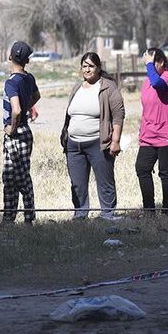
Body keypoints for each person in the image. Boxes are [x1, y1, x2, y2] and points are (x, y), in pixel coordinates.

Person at [61, 52, 125, 220]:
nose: (87, 69)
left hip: (98, 142)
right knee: (77, 183)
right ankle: (80, 213)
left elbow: (118, 115)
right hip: (74, 145)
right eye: (84, 66)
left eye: (91, 66)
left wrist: (116, 140)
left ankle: (108, 213)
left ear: (98, 68)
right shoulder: (77, 87)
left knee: (105, 181)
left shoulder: (107, 87)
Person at [1, 41, 41, 224]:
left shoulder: (11, 83)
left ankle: (28, 218)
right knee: (10, 175)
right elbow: (36, 96)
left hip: (16, 131)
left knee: (21, 177)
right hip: (25, 130)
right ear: (27, 61)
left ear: (10, 57)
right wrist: (27, 107)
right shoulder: (29, 78)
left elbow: (15, 110)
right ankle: (9, 217)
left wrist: (12, 127)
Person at [135, 48, 168, 215]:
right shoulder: (146, 82)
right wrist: (142, 129)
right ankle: (149, 210)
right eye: (147, 63)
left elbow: (158, 84)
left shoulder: (167, 77)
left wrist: (149, 63)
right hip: (148, 136)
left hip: (166, 136)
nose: (149, 66)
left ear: (162, 62)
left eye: (153, 62)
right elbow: (147, 107)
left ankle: (167, 210)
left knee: (166, 173)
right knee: (142, 168)